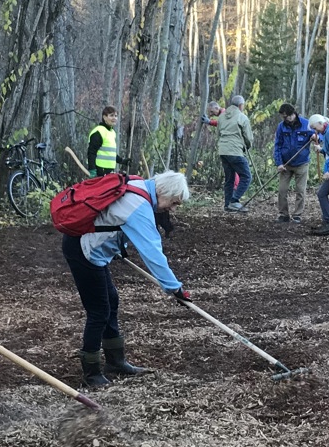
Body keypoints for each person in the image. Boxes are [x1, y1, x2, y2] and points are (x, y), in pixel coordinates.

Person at [60, 170, 193, 387]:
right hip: (83, 249)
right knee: (99, 310)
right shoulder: (139, 207)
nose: (173, 208)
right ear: (162, 191)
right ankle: (91, 372)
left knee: (111, 300)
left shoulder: (140, 187)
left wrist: (118, 247)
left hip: (92, 248)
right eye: (174, 202)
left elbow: (114, 219)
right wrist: (175, 288)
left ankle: (116, 361)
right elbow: (152, 253)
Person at [271, 104, 311, 223]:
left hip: (302, 164)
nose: (285, 119)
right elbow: (277, 145)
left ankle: (297, 215)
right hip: (285, 165)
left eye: (286, 116)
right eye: (283, 117)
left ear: (293, 114)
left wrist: (316, 138)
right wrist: (279, 163)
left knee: (300, 190)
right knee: (282, 190)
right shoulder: (281, 127)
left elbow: (318, 135)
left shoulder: (306, 124)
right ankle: (283, 214)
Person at [216, 95, 254, 211]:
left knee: (229, 179)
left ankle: (227, 205)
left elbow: (218, 134)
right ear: (241, 105)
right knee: (246, 176)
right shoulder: (242, 117)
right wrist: (247, 147)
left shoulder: (221, 117)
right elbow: (248, 137)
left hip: (223, 150)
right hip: (235, 151)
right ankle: (234, 200)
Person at [86, 106, 120, 175]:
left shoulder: (112, 132)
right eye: (111, 115)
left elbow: (109, 153)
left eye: (116, 116)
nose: (114, 118)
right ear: (104, 117)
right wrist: (92, 169)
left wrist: (122, 161)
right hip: (100, 170)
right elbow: (91, 152)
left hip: (109, 171)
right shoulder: (98, 132)